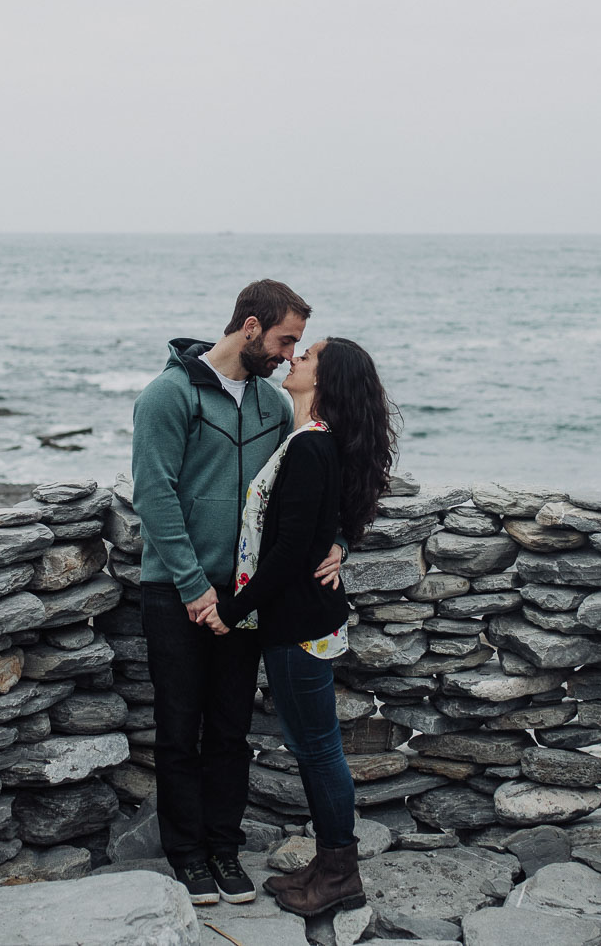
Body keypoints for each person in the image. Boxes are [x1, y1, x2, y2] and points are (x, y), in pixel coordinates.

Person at [131, 279, 345, 906]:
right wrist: (195, 588)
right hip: (174, 591)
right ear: (250, 327)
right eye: (284, 340)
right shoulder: (167, 396)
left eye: (297, 345)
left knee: (230, 726)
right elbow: (156, 495)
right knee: (178, 727)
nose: (288, 354)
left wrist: (337, 544)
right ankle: (187, 856)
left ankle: (224, 850)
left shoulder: (273, 407)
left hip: (248, 596)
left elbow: (303, 493)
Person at [200, 337, 398, 918]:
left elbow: (286, 555)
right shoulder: (314, 441)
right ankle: (330, 864)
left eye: (305, 355)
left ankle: (340, 874)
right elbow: (331, 521)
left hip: (299, 623)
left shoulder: (311, 448)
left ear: (325, 380)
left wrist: (229, 611)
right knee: (316, 746)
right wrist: (338, 541)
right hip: (306, 617)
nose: (293, 359)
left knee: (317, 750)